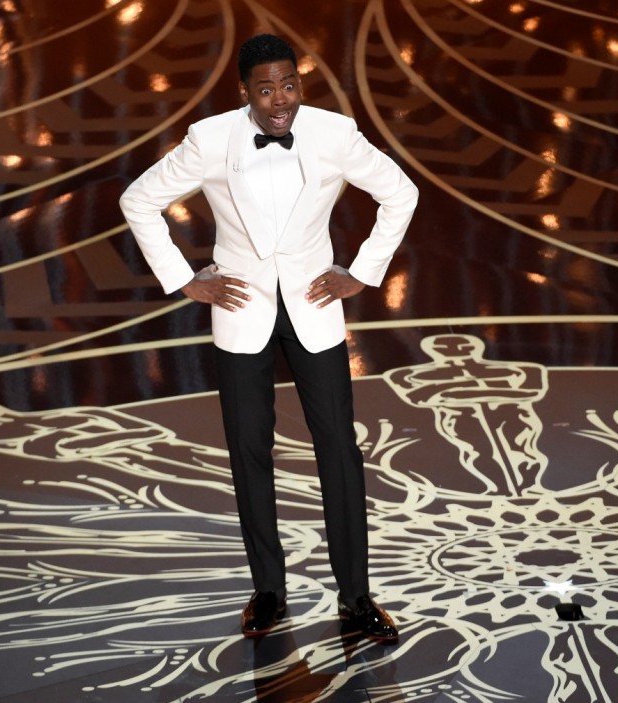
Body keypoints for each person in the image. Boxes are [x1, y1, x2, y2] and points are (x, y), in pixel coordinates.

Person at [119, 34, 418, 643]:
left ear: (299, 85)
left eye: (288, 85)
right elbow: (138, 199)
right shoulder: (210, 139)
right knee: (249, 453)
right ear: (245, 92)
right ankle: (269, 591)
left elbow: (401, 192)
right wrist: (184, 279)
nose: (279, 100)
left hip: (314, 304)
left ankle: (356, 598)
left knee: (338, 450)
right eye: (265, 89)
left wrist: (361, 272)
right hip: (240, 305)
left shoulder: (334, 133)